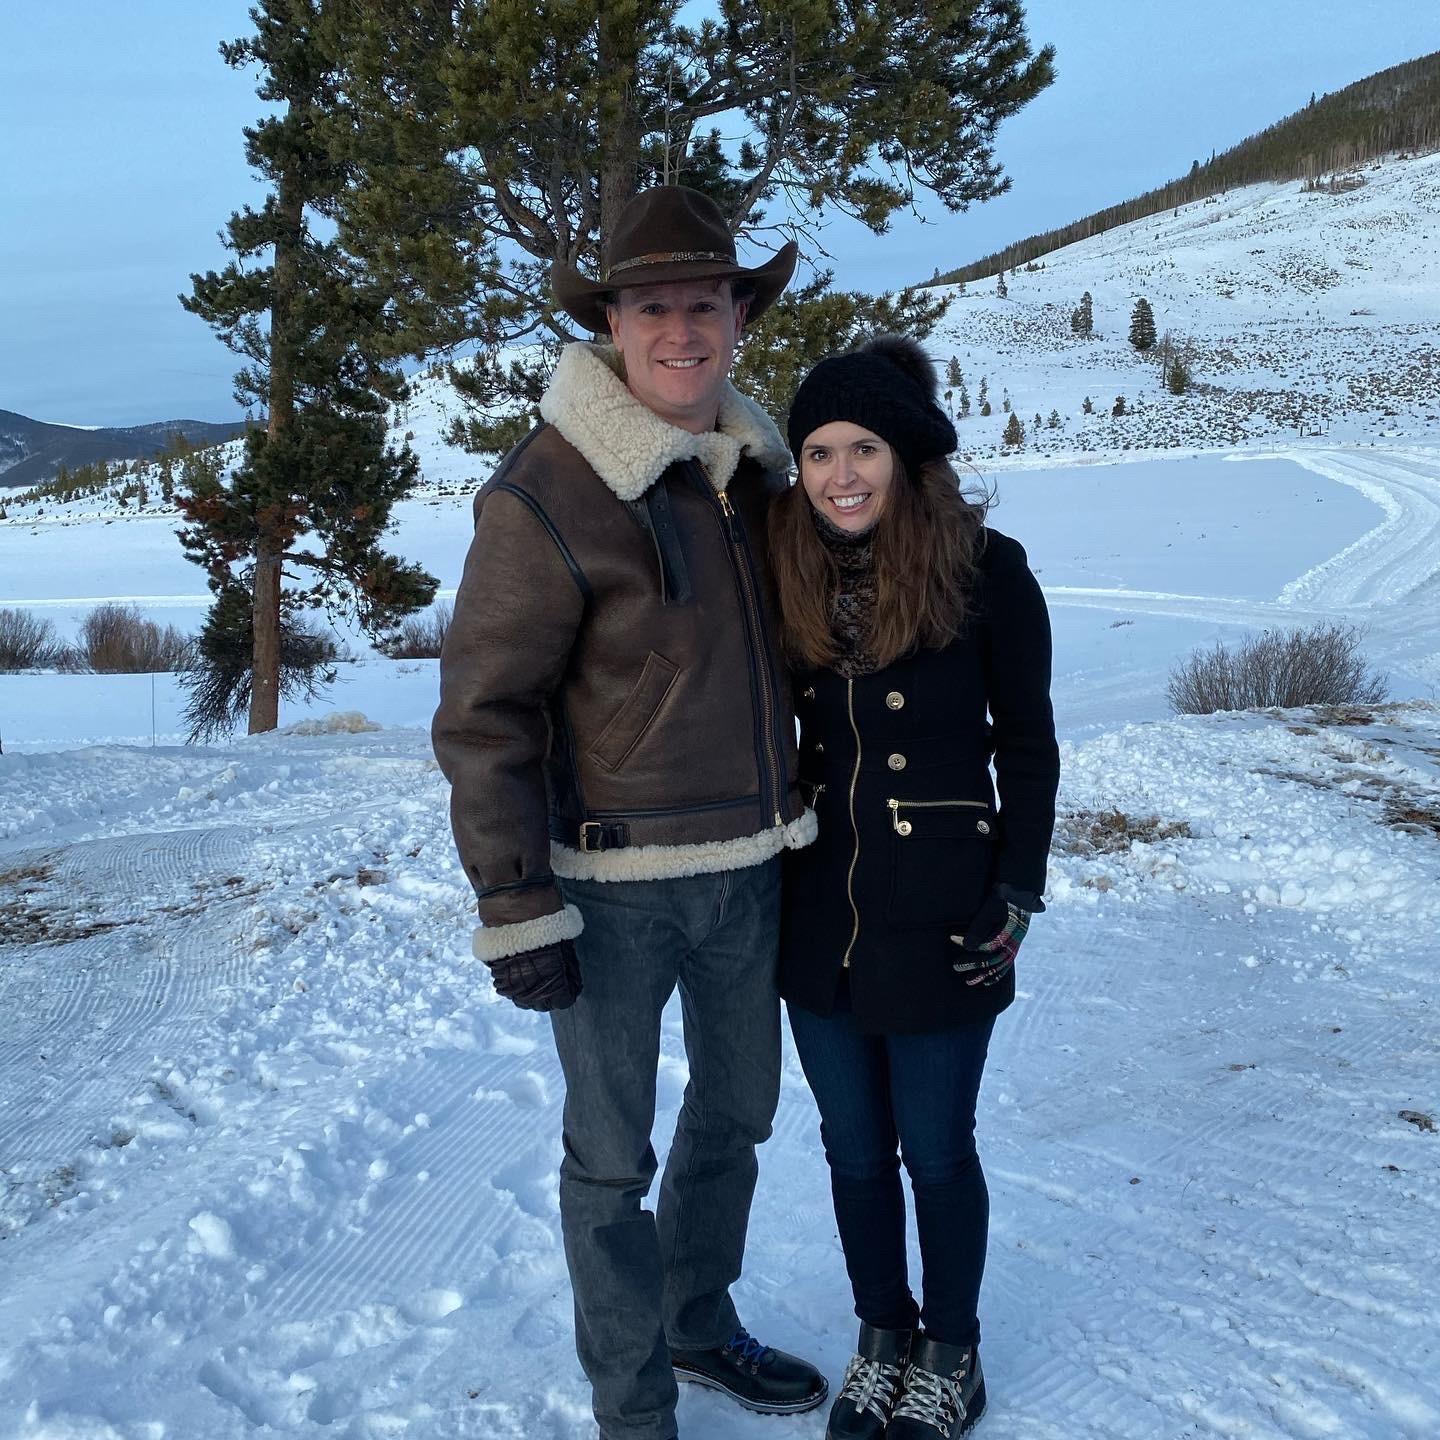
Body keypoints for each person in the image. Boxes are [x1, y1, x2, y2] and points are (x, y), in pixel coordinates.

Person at [432, 185, 827, 1440]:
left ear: (738, 317)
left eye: (703, 303)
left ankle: (698, 1325)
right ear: (611, 321)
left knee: (739, 1114)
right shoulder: (545, 490)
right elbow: (486, 714)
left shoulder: (759, 474)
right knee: (611, 1163)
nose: (680, 330)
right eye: (651, 306)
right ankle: (633, 1410)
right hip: (610, 891)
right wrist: (516, 906)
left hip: (753, 871)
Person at [767, 336, 1060, 1440]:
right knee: (851, 1149)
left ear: (910, 456)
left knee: (936, 1149)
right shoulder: (783, 569)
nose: (841, 473)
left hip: (943, 908)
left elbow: (1027, 750)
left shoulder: (988, 571)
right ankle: (881, 1337)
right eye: (819, 452)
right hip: (821, 914)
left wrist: (1017, 892)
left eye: (864, 448)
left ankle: (952, 1352)